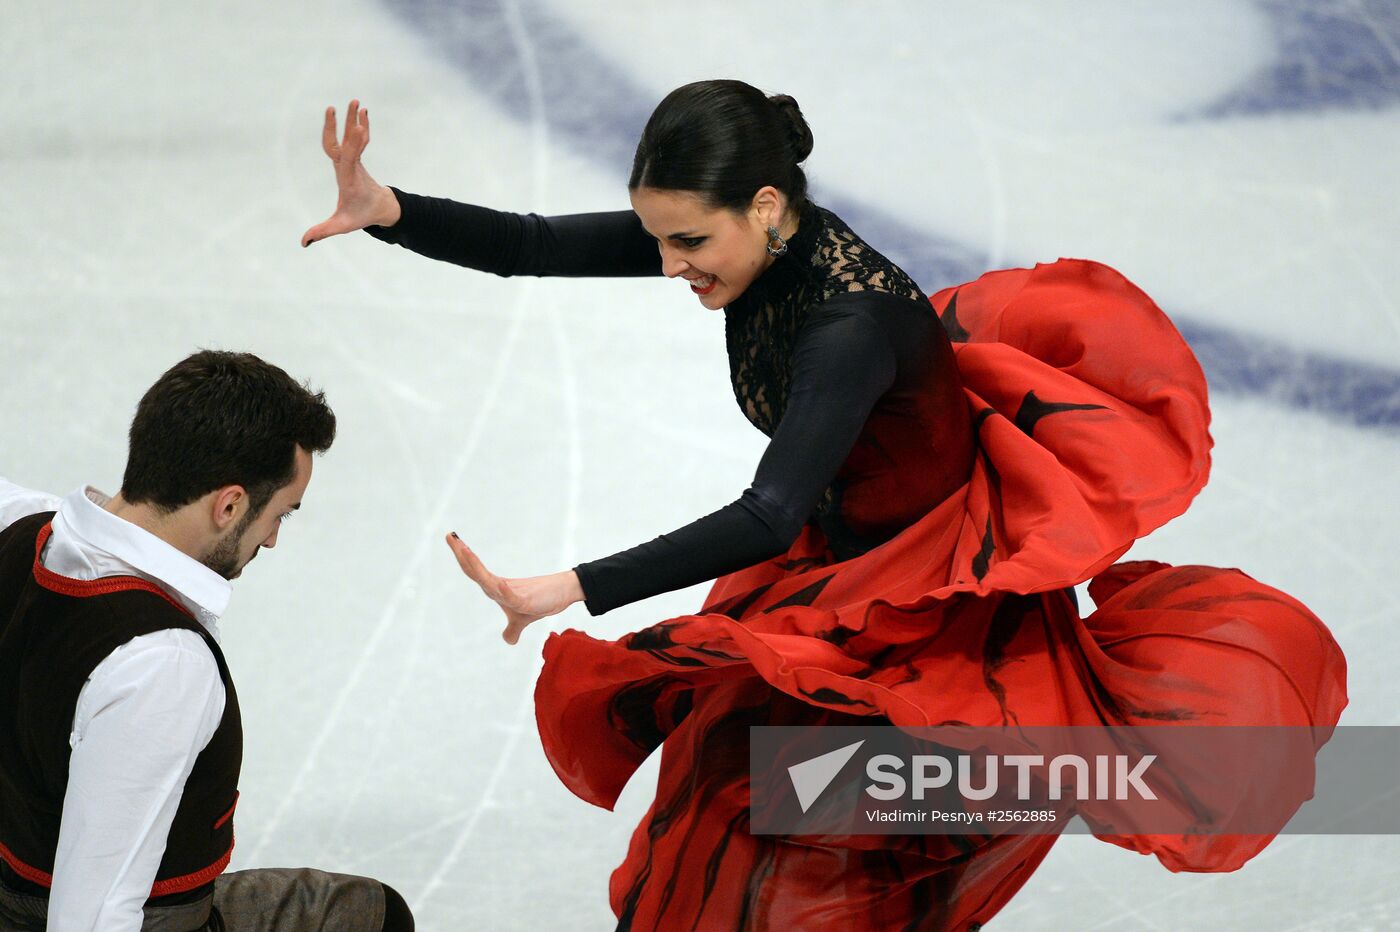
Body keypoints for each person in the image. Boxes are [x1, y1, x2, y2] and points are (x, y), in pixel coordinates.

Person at [304, 82, 1347, 929]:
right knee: (735, 793)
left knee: (790, 816)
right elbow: (534, 242)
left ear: (763, 204)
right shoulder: (739, 240)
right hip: (842, 563)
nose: (668, 267)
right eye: (656, 239)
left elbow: (764, 512)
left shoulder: (843, 324)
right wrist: (388, 212)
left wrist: (570, 583)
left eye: (685, 244)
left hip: (921, 603)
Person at [0, 351, 414, 932]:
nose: (271, 541)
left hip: (17, 868)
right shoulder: (160, 663)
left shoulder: (23, 524)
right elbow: (91, 917)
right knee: (373, 921)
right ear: (230, 505)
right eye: (280, 515)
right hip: (94, 915)